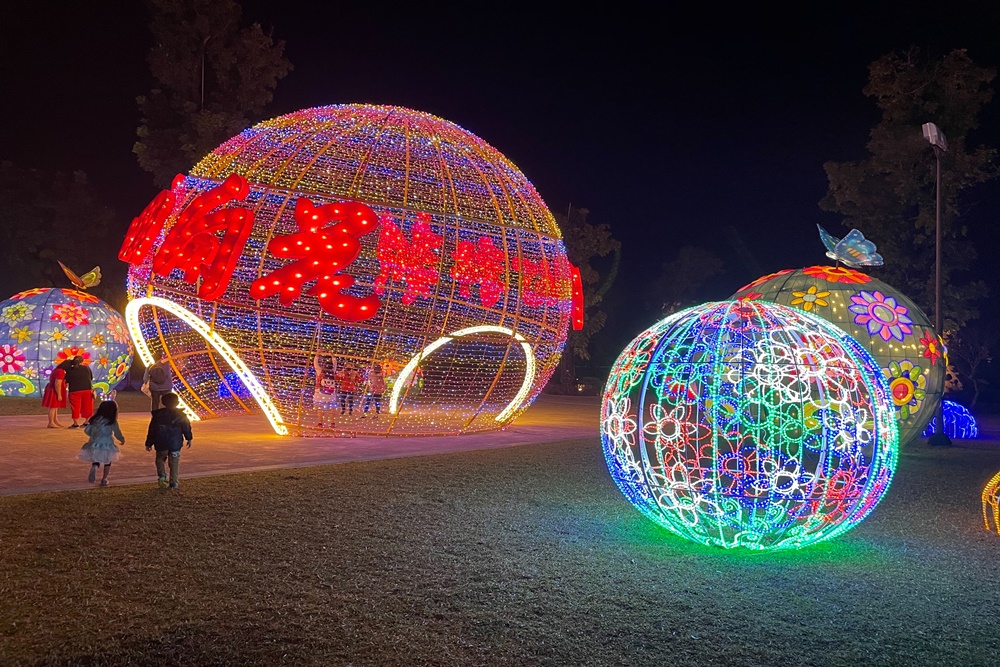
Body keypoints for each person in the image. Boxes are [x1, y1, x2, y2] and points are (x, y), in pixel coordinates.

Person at [145, 392, 192, 489]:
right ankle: (174, 482)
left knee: (160, 459)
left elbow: (152, 430)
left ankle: (162, 475)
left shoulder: (157, 415)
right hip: (175, 443)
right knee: (174, 462)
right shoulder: (181, 415)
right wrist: (189, 438)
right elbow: (186, 427)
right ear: (177, 402)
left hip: (161, 442)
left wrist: (149, 443)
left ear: (163, 402)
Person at [77, 400, 125, 487]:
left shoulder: (95, 419)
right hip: (107, 443)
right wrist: (121, 439)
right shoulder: (111, 421)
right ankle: (104, 479)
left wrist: (93, 436)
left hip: (94, 442)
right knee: (108, 461)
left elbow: (87, 430)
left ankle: (95, 466)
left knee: (96, 458)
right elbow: (117, 432)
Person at [64, 355, 94, 428]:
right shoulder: (86, 368)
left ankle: (75, 423)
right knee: (87, 406)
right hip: (87, 389)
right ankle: (86, 422)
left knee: (75, 407)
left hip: (74, 390)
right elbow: (91, 378)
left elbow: (67, 380)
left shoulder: (70, 370)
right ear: (82, 361)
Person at [42, 359, 73, 428]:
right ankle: (51, 422)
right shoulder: (60, 371)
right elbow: (57, 383)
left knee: (55, 407)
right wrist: (59, 394)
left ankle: (55, 421)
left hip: (52, 388)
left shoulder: (56, 370)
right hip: (54, 390)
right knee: (53, 407)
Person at [312, 353, 338, 428]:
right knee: (331, 409)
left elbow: (315, 364)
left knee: (320, 409)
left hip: (320, 394)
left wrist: (317, 355)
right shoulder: (333, 372)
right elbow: (335, 364)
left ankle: (320, 423)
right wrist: (332, 356)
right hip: (331, 394)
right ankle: (332, 423)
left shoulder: (320, 372)